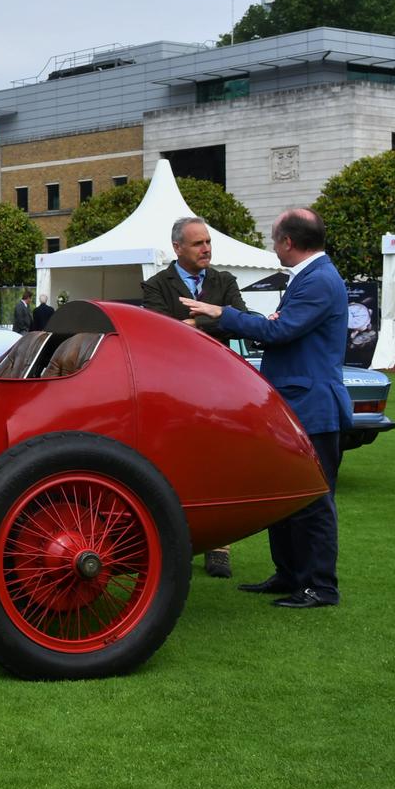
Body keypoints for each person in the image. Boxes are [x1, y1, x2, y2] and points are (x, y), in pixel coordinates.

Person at [182, 208, 352, 609]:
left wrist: (221, 313)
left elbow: (279, 330)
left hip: (312, 407)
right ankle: (291, 574)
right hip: (295, 404)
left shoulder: (320, 280)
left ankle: (320, 586)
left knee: (313, 500)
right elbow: (280, 330)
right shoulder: (311, 278)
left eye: (274, 239)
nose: (272, 246)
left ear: (288, 242)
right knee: (286, 495)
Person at [144, 216, 251, 579]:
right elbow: (157, 329)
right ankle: (178, 540)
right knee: (175, 464)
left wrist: (198, 323)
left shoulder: (224, 281)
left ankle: (219, 545)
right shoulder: (157, 285)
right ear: (178, 248)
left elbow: (243, 319)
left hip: (219, 387)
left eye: (207, 242)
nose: (206, 248)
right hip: (173, 390)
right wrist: (214, 320)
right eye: (197, 243)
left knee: (218, 464)